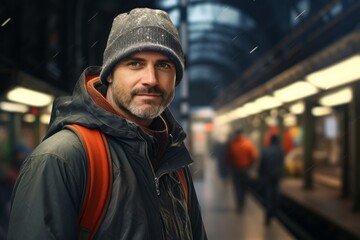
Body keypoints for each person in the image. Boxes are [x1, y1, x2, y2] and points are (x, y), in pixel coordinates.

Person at [8, 8, 207, 240]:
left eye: (164, 65)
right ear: (109, 74)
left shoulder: (175, 165)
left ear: (175, 78)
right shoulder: (62, 159)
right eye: (135, 63)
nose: (151, 79)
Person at [225, 128, 257, 212]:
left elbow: (228, 157)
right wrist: (250, 166)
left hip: (235, 170)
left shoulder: (232, 145)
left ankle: (240, 204)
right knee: (244, 187)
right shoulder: (248, 144)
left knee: (237, 187)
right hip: (245, 169)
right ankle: (242, 202)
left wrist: (232, 165)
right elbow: (253, 157)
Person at [258, 134, 284, 226]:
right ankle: (274, 211)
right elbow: (281, 163)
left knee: (268, 195)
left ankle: (268, 214)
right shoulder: (280, 151)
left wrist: (260, 175)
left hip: (267, 177)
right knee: (276, 194)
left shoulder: (266, 150)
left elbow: (261, 164)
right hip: (276, 177)